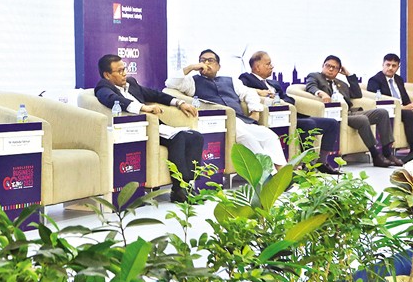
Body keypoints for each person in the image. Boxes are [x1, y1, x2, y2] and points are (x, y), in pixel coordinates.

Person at [94, 54, 204, 203]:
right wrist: (143, 107)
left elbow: (156, 94)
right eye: (119, 71)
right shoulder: (103, 86)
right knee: (179, 138)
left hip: (156, 127)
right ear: (107, 75)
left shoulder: (131, 83)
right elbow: (112, 100)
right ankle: (179, 189)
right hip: (138, 129)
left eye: (124, 69)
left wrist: (179, 103)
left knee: (196, 136)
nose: (124, 73)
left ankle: (187, 183)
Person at [165, 49, 288, 170]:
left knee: (269, 136)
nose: (206, 63)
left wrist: (255, 111)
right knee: (247, 137)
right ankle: (270, 174)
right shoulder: (192, 82)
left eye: (210, 60)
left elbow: (249, 93)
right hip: (220, 122)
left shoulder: (231, 81)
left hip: (242, 120)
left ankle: (282, 171)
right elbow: (170, 84)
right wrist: (191, 67)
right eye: (203, 60)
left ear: (218, 66)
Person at [239, 51, 342, 174]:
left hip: (292, 116)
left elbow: (290, 100)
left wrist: (280, 99)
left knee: (332, 124)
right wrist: (262, 93)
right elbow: (243, 91)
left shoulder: (274, 83)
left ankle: (322, 162)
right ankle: (307, 164)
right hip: (273, 119)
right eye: (268, 64)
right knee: (308, 125)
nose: (272, 67)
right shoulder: (246, 78)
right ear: (257, 67)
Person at [304, 55, 400, 168]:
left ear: (339, 71)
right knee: (362, 119)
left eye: (334, 68)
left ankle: (387, 152)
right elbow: (310, 86)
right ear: (323, 66)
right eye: (328, 66)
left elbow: (357, 94)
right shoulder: (315, 76)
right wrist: (321, 93)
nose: (330, 69)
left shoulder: (342, 84)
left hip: (350, 112)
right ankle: (375, 156)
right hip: (337, 115)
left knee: (382, 112)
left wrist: (349, 75)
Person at [366, 53, 413, 159]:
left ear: (398, 67)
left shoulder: (398, 79)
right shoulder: (375, 80)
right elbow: (377, 102)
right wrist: (402, 108)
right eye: (388, 65)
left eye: (394, 66)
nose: (390, 68)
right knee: (408, 113)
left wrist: (411, 105)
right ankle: (412, 147)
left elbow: (404, 98)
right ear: (383, 65)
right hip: (389, 112)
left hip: (404, 110)